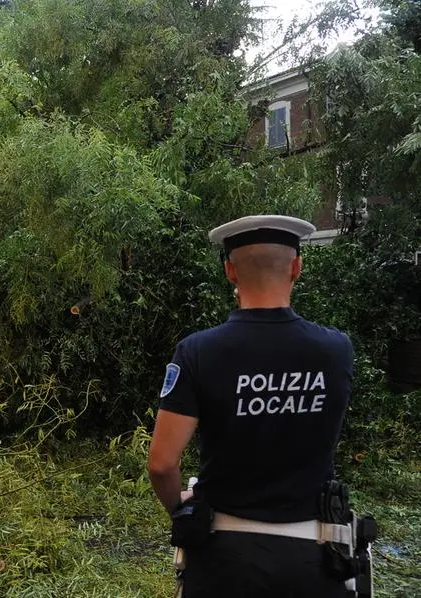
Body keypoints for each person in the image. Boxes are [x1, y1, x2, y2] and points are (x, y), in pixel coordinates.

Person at [148, 215, 354, 597]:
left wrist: (180, 506)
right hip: (316, 558)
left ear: (229, 272)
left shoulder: (197, 352)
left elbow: (161, 464)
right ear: (297, 267)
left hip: (224, 560)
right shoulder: (336, 349)